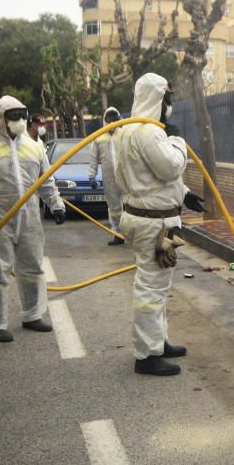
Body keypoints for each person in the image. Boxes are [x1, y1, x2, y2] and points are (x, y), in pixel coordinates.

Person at [115, 73, 206, 376]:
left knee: (158, 284)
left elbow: (151, 180)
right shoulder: (148, 132)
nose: (170, 104)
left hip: (147, 216)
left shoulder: (127, 131)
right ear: (159, 98)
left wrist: (185, 194)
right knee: (150, 288)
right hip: (152, 223)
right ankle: (146, 355)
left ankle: (158, 341)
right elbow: (169, 167)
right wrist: (177, 139)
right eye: (168, 98)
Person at [0, 96, 67, 343]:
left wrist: (56, 205)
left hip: (28, 218)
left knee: (32, 267)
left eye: (21, 115)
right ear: (0, 118)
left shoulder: (34, 147)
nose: (18, 121)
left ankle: (32, 315)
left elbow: (46, 180)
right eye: (13, 116)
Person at [89, 106, 125, 246]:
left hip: (125, 174)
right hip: (109, 178)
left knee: (130, 204)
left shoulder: (123, 134)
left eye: (114, 119)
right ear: (105, 120)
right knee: (114, 207)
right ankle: (117, 233)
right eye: (109, 119)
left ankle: (133, 233)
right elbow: (93, 158)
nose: (111, 122)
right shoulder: (98, 137)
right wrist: (92, 176)